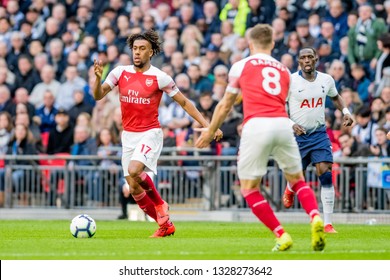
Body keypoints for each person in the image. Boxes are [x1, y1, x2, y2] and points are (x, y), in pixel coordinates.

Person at [195, 24, 325, 251]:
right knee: (297, 180)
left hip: (256, 125)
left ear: (250, 44)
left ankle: (281, 234)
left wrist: (210, 130)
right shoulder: (284, 70)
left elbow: (226, 104)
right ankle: (315, 216)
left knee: (249, 188)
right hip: (283, 124)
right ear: (272, 44)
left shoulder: (241, 65)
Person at [93, 29, 222, 238]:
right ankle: (165, 225)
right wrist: (97, 79)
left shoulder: (159, 77)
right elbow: (98, 95)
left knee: (135, 170)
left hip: (150, 133)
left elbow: (184, 103)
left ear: (151, 52)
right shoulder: (119, 72)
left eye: (142, 49)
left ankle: (161, 204)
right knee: (134, 188)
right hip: (128, 135)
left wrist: (208, 125)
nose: (137, 53)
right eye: (134, 49)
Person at [282, 47, 354, 234]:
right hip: (297, 136)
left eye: (309, 57)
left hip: (319, 134)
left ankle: (328, 223)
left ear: (316, 59)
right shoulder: (290, 81)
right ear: (299, 61)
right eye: (303, 57)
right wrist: (291, 124)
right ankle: (290, 188)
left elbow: (335, 97)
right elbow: (278, 106)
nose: (306, 60)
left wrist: (345, 112)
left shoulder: (326, 79)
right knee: (298, 176)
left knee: (326, 174)